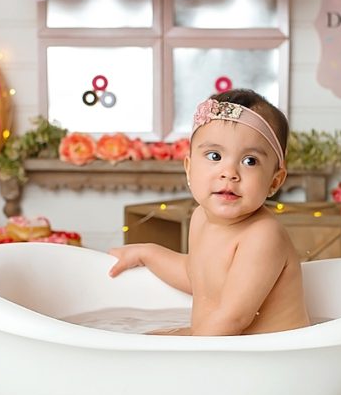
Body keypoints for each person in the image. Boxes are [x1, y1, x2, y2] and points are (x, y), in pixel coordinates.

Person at [108, 89, 310, 335]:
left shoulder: (263, 236)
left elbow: (233, 318)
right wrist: (147, 253)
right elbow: (197, 277)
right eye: (214, 156)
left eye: (250, 161)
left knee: (148, 350)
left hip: (272, 357)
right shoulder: (200, 217)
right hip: (223, 344)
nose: (229, 172)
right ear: (189, 168)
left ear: (274, 182)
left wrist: (184, 350)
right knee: (143, 339)